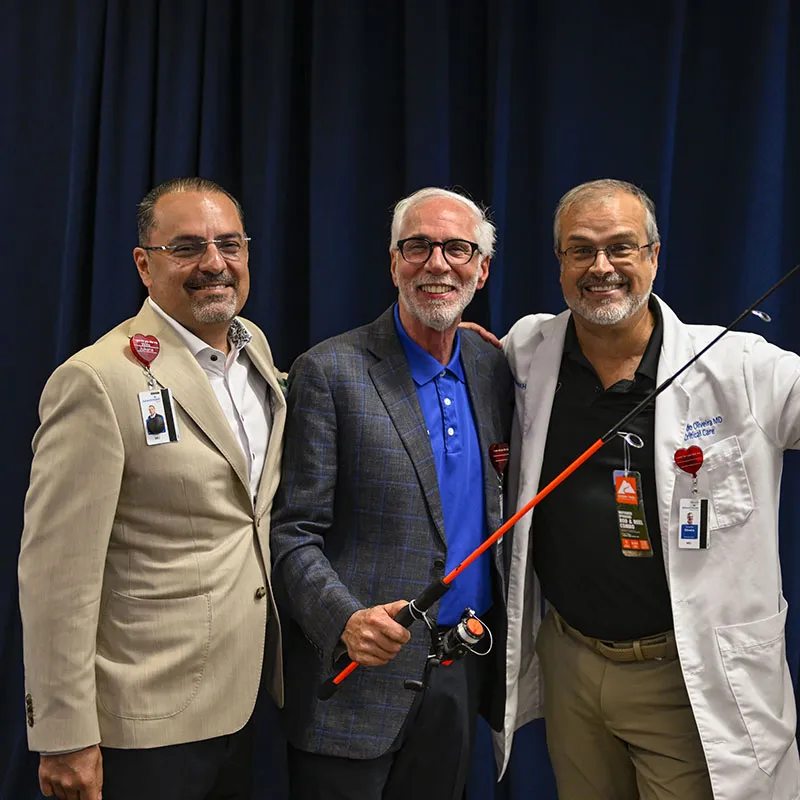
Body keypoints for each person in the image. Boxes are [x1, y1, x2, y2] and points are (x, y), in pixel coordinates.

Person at [493, 179, 800, 799]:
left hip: (685, 676)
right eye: (580, 250)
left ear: (653, 256)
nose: (600, 267)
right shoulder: (526, 352)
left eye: (621, 248)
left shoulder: (743, 367)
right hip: (572, 662)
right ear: (559, 263)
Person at [19, 177, 287, 800]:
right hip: (142, 722)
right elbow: (56, 575)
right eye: (188, 247)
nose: (215, 264)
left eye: (230, 244)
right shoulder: (95, 379)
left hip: (246, 703)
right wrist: (64, 734)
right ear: (144, 264)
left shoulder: (256, 353)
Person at [270, 187, 513, 800]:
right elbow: (292, 531)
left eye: (457, 248)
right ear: (393, 262)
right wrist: (343, 619)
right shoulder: (328, 371)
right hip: (355, 682)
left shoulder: (494, 368)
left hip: (460, 673)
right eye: (418, 247)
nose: (437, 264)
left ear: (481, 270)